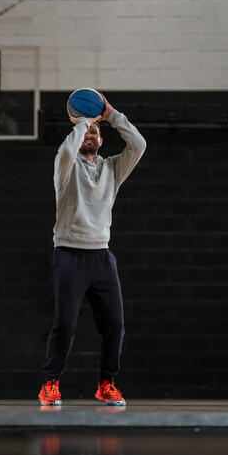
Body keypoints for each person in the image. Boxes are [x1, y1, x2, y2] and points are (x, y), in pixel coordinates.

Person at [38, 92, 146, 407]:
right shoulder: (66, 166)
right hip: (69, 255)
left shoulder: (114, 169)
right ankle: (51, 383)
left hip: (101, 256)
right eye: (85, 132)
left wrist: (110, 115)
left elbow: (138, 145)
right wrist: (84, 119)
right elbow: (67, 148)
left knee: (115, 325)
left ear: (100, 141)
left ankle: (106, 384)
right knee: (65, 324)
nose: (89, 135)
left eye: (94, 134)